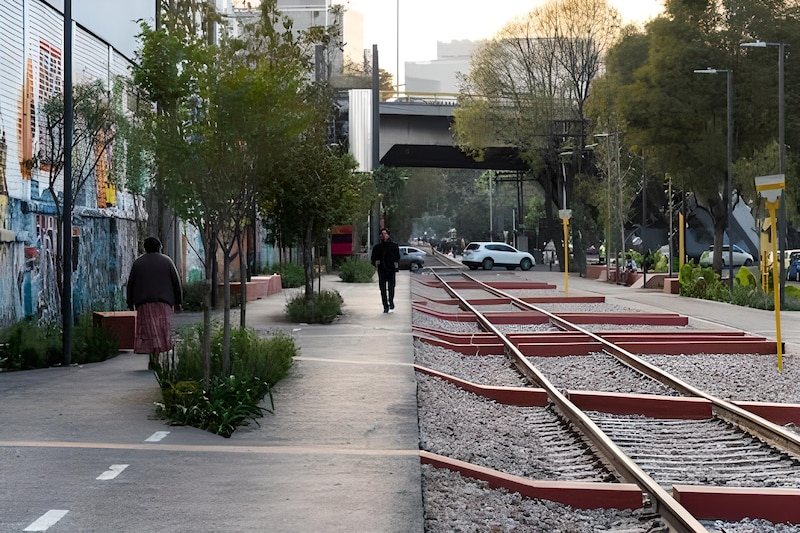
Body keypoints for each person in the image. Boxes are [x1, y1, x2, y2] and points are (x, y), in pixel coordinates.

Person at [126, 237, 183, 370]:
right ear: (159, 247)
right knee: (161, 331)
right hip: (163, 304)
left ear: (145, 248)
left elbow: (131, 284)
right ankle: (157, 358)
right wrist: (178, 302)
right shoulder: (167, 261)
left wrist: (130, 303)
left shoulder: (138, 263)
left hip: (144, 304)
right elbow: (176, 283)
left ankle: (153, 358)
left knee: (149, 332)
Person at [371, 227, 400, 313]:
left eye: (385, 234)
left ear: (388, 235)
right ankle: (385, 306)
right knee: (382, 289)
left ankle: (391, 301)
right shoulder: (377, 247)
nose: (383, 235)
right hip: (382, 270)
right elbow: (373, 258)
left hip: (391, 270)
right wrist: (376, 263)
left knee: (391, 288)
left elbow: (397, 258)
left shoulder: (394, 246)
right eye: (382, 234)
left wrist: (396, 266)